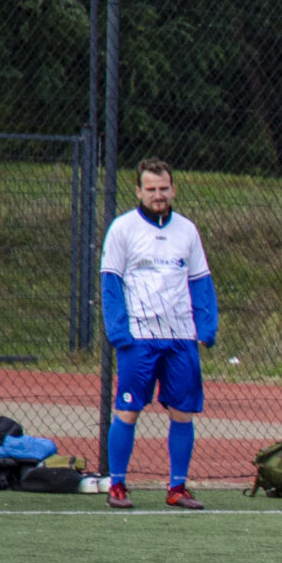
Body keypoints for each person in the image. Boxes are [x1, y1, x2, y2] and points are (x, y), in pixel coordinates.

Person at [100, 159, 218, 511]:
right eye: (150, 189)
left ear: (173, 189)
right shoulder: (123, 229)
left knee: (183, 413)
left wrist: (206, 327)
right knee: (128, 410)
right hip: (138, 338)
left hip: (180, 338)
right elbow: (110, 283)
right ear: (139, 192)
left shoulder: (187, 230)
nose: (158, 195)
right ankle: (117, 485)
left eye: (163, 188)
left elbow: (200, 281)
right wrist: (118, 331)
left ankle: (177, 488)